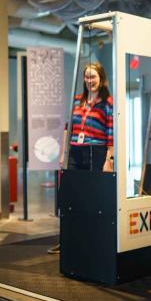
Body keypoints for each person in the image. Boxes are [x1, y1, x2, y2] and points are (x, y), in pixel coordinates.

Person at [48, 61, 114, 255]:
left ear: (101, 79)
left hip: (97, 152)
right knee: (70, 196)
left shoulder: (108, 103)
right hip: (75, 152)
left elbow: (111, 133)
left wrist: (109, 159)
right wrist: (63, 153)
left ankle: (94, 241)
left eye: (93, 76)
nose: (89, 80)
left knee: (94, 198)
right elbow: (68, 128)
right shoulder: (77, 100)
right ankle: (66, 241)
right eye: (86, 76)